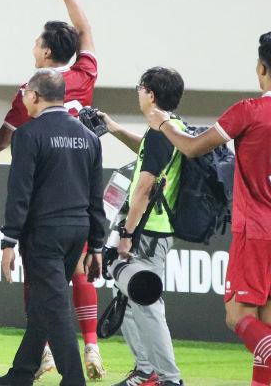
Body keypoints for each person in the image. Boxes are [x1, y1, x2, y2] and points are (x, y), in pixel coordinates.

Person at [142, 32, 271, 386]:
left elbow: (192, 148)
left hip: (257, 229)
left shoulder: (248, 111)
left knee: (237, 316)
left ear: (261, 67)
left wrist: (163, 123)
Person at [0, 0, 104, 380]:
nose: (33, 45)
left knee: (50, 299)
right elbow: (87, 31)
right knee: (50, 293)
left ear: (45, 52)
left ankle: (69, 372)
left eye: (37, 42)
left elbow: (3, 141)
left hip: (46, 213)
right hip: (78, 204)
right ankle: (25, 372)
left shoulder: (30, 94)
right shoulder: (84, 76)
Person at [0, 69, 105, 386]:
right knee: (43, 302)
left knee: (53, 306)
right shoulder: (89, 137)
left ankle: (74, 379)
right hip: (77, 231)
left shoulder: (27, 135)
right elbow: (96, 196)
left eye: (26, 93)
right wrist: (95, 245)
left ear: (35, 97)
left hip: (44, 234)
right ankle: (21, 374)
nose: (23, 98)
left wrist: (8, 241)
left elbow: (19, 193)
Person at [102, 68, 187, 386]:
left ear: (151, 94)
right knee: (128, 297)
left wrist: (126, 233)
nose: (138, 92)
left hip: (147, 232)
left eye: (140, 87)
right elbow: (145, 153)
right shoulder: (172, 128)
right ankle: (146, 370)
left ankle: (168, 378)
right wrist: (113, 128)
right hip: (153, 229)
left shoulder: (160, 134)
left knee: (147, 305)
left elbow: (144, 188)